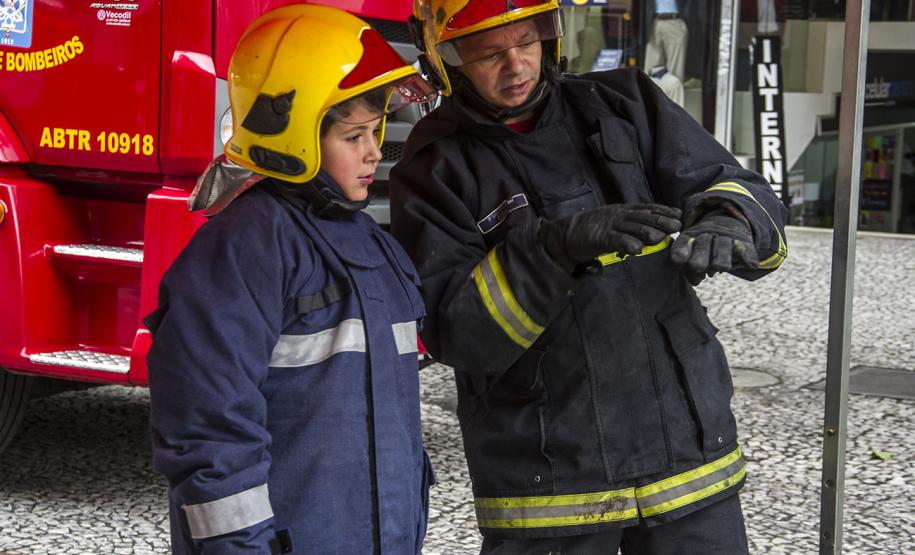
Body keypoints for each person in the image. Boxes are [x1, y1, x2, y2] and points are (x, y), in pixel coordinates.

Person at [392, 0, 788, 553]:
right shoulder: (434, 166)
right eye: (488, 54)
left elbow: (730, 180)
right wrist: (552, 250)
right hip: (552, 484)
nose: (517, 66)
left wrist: (732, 216)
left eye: (527, 42)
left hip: (686, 457)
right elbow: (457, 332)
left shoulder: (623, 102)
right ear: (447, 60)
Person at [144, 5, 437, 554]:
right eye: (354, 136)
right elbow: (211, 432)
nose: (375, 151)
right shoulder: (243, 250)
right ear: (297, 136)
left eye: (375, 131)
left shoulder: (369, 242)